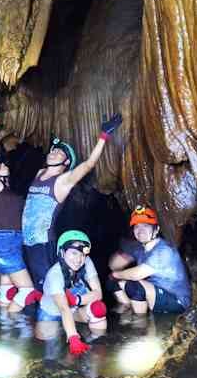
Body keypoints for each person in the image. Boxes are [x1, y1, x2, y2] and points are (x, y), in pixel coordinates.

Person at [21, 114, 122, 292]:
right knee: (37, 289)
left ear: (66, 162)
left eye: (60, 153)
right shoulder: (39, 174)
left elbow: (89, 164)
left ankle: (77, 308)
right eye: (53, 150)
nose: (54, 153)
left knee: (50, 290)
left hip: (44, 244)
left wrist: (103, 136)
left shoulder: (63, 181)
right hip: (28, 243)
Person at [0, 108, 40, 327]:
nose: (2, 163)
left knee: (7, 288)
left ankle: (5, 328)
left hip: (11, 241)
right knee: (28, 291)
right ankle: (9, 326)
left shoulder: (10, 191)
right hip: (4, 242)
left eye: (4, 164)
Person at [108, 206, 190, 316]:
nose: (140, 230)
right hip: (155, 295)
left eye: (146, 226)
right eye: (137, 226)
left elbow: (137, 274)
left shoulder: (164, 250)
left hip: (177, 300)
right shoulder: (141, 249)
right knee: (113, 283)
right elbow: (114, 264)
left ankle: (140, 324)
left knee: (135, 286)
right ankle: (127, 309)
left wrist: (116, 274)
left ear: (156, 230)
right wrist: (116, 271)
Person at [36, 230, 108, 355]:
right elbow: (64, 309)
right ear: (62, 253)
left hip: (73, 309)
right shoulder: (55, 275)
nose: (78, 259)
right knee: (50, 349)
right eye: (74, 253)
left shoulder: (86, 262)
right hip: (51, 313)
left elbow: (98, 294)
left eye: (82, 254)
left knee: (98, 308)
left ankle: (97, 345)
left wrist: (76, 300)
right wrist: (73, 338)